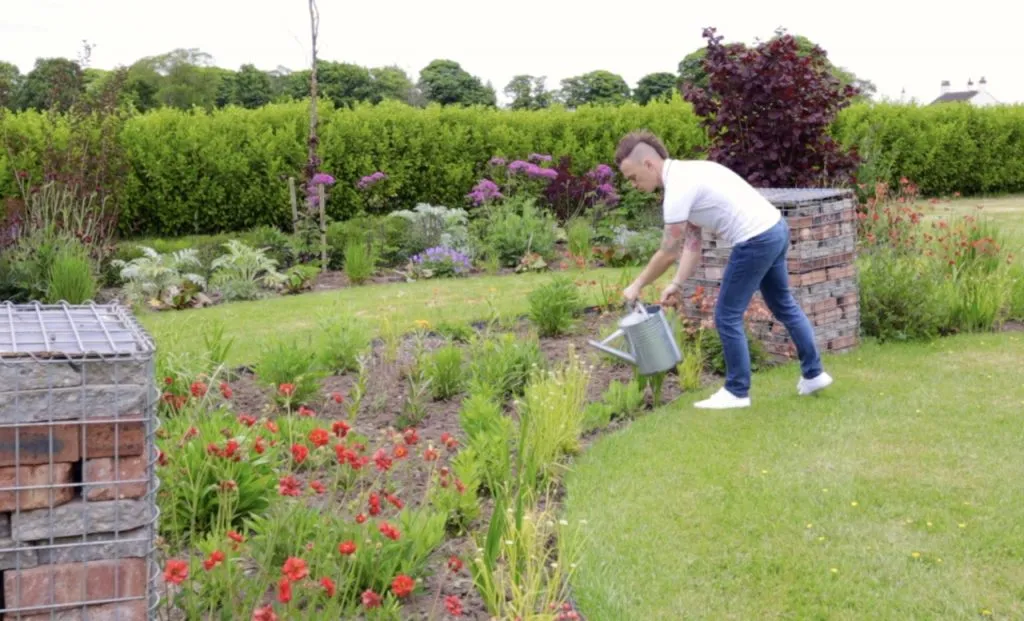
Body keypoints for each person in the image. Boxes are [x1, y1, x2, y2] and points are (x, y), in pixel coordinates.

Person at [614, 130, 833, 409]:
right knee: (783, 304)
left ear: (648, 164)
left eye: (633, 177)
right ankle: (813, 374)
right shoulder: (688, 174)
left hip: (755, 239)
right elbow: (692, 244)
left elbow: (668, 252)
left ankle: (736, 391)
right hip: (775, 229)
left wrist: (637, 285)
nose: (633, 184)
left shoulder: (678, 188)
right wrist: (677, 284)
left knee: (726, 315)